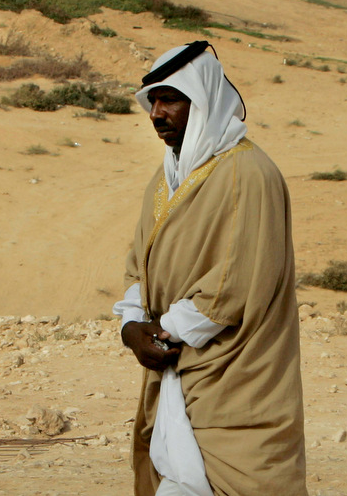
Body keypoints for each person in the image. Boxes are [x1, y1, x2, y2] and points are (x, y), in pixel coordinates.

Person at [113, 42, 307, 496]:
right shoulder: (166, 180)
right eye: (153, 101)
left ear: (202, 102)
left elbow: (233, 287)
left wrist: (162, 331)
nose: (157, 113)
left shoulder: (248, 174)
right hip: (174, 370)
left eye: (170, 99)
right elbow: (137, 265)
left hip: (235, 376)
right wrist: (130, 327)